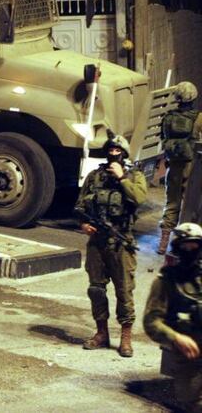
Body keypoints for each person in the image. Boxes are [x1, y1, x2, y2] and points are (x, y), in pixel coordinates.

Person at [74, 132, 147, 357]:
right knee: (96, 289)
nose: (113, 154)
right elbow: (80, 205)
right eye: (111, 150)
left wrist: (122, 178)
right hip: (97, 242)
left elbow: (139, 198)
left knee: (124, 291)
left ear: (124, 154)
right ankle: (101, 333)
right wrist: (84, 224)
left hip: (121, 243)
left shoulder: (134, 176)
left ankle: (126, 337)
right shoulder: (95, 176)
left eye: (117, 150)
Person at [144, 222, 202, 412]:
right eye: (185, 246)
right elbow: (151, 322)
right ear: (177, 248)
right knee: (193, 403)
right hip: (190, 355)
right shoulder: (166, 281)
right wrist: (176, 338)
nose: (190, 251)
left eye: (194, 246)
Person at [158, 81, 202, 254]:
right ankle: (190, 242)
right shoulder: (199, 118)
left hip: (174, 165)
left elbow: (163, 139)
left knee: (172, 202)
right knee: (192, 205)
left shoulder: (168, 118)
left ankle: (163, 243)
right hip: (194, 166)